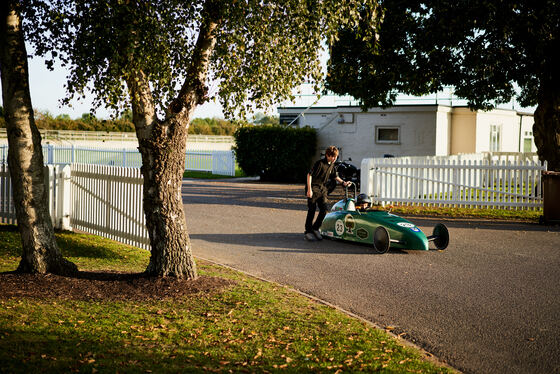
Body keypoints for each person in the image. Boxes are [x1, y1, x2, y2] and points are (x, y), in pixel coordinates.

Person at [305, 146, 349, 241]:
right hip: (313, 188)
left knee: (324, 210)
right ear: (327, 155)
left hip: (322, 189)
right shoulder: (319, 163)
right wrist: (309, 190)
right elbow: (309, 175)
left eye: (336, 157)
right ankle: (308, 231)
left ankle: (315, 228)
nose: (334, 159)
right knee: (312, 210)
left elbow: (334, 176)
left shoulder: (332, 165)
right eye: (333, 156)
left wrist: (343, 182)